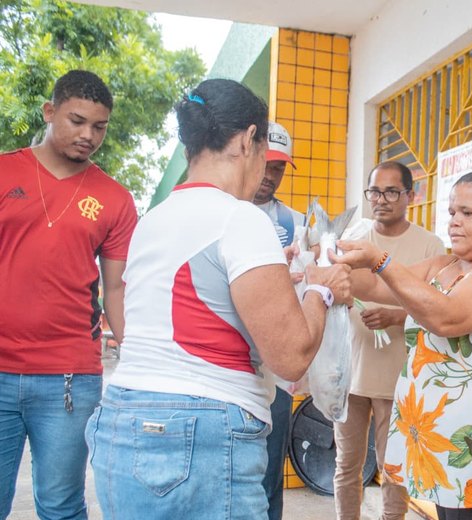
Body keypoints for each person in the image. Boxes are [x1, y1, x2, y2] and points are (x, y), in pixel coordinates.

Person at [85, 78, 351, 518]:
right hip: (201, 431)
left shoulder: (153, 220)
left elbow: (197, 299)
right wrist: (321, 289)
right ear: (249, 140)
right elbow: (289, 356)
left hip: (122, 418)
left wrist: (274, 275)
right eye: (265, 153)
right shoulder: (240, 219)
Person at [333, 169, 472, 520]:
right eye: (451, 213)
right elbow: (373, 287)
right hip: (444, 454)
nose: (454, 222)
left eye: (468, 213)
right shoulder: (444, 266)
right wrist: (324, 257)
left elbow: (447, 318)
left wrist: (380, 260)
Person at [0, 70, 137, 520]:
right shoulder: (5, 172)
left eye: (99, 126)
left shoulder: (114, 198)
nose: (88, 136)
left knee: (61, 506)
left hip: (69, 379)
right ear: (49, 111)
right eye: (77, 121)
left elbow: (116, 286)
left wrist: (135, 353)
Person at [333, 161, 444, 520]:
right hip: (351, 372)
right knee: (346, 466)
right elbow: (334, 289)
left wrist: (397, 316)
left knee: (393, 469)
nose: (381, 200)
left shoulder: (431, 245)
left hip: (399, 377)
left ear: (411, 195)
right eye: (374, 192)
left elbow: (439, 308)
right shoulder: (355, 238)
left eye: (392, 191)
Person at [254, 120, 304, 520]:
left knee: (270, 469)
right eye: (268, 162)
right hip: (226, 363)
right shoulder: (221, 212)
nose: (272, 175)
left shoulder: (296, 224)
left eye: (280, 167)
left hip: (275, 368)